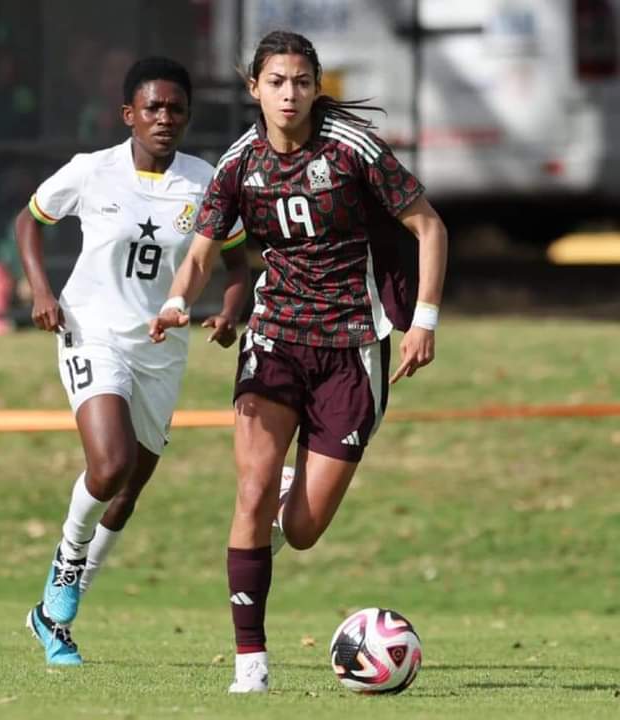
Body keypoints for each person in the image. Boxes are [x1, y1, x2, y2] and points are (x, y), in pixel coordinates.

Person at [149, 30, 448, 693]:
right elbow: (202, 250)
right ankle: (250, 664)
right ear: (253, 86)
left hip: (350, 349)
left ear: (317, 88)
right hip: (274, 339)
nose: (289, 94)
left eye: (302, 82)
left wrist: (422, 319)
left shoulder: (352, 152)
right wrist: (176, 302)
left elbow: (429, 226)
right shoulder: (237, 165)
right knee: (250, 491)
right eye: (276, 82)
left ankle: (286, 502)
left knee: (305, 531)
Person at [15, 57, 249, 666]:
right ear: (129, 115)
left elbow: (238, 263)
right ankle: (64, 567)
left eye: (176, 108)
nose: (164, 118)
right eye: (153, 108)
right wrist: (42, 291)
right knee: (110, 463)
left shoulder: (207, 181)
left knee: (126, 493)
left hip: (161, 349)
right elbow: (29, 220)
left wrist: (229, 311)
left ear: (188, 115)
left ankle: (51, 622)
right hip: (90, 331)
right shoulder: (92, 173)